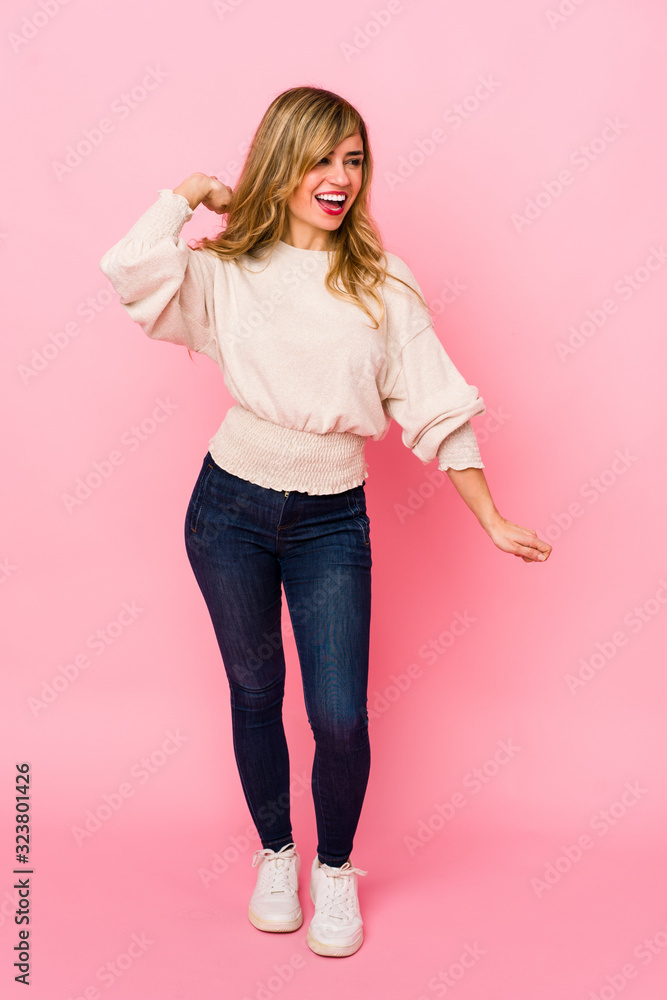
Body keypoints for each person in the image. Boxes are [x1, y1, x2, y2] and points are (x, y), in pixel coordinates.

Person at [99, 85, 552, 959]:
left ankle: (334, 867)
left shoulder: (381, 281)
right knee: (254, 693)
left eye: (353, 159)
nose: (339, 176)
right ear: (281, 162)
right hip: (227, 508)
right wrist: (192, 190)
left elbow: (435, 404)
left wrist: (491, 517)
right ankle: (276, 856)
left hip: (330, 522)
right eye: (320, 159)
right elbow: (128, 267)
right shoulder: (227, 269)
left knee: (339, 716)